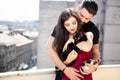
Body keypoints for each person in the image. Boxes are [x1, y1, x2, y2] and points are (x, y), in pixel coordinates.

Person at [46, 0, 101, 80]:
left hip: (83, 75)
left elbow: (95, 52)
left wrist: (94, 66)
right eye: (81, 15)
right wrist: (65, 68)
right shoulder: (64, 24)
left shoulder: (93, 29)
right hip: (63, 72)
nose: (83, 20)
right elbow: (49, 48)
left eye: (87, 18)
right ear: (79, 7)